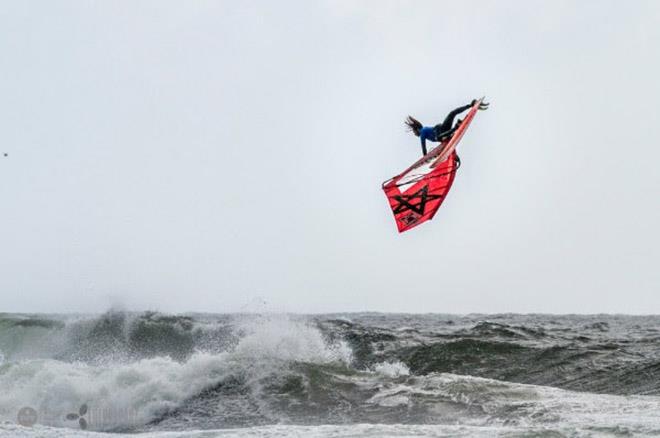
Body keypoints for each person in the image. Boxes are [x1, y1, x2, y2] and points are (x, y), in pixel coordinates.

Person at [405, 99, 489, 156]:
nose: (414, 134)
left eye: (414, 132)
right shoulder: (424, 131)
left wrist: (425, 158)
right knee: (452, 114)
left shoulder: (422, 132)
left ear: (416, 130)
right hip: (444, 132)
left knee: (451, 115)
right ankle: (468, 107)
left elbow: (423, 147)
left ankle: (469, 107)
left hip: (442, 131)